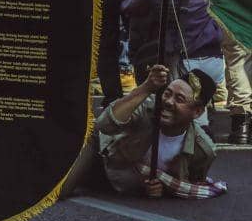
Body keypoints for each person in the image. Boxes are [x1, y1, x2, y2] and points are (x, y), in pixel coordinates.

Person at [121, 0, 224, 114]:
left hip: (184, 66)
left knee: (189, 120)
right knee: (198, 110)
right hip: (215, 62)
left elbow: (127, 7)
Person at [95, 64, 222, 198]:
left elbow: (187, 184)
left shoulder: (203, 150)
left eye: (179, 99)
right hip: (101, 164)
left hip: (123, 191)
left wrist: (161, 188)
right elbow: (104, 125)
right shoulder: (146, 106)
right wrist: (146, 88)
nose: (168, 102)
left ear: (197, 112)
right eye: (167, 93)